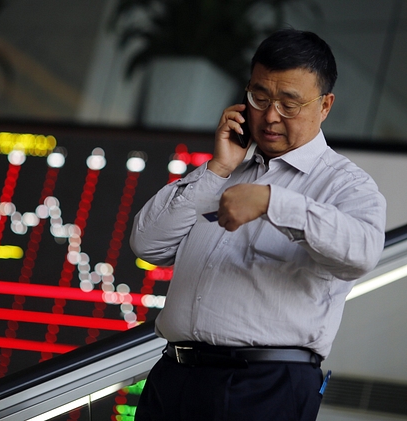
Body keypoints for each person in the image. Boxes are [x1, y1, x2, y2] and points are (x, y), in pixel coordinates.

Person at [130, 29, 386, 421]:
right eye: (259, 97)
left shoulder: (345, 184)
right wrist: (217, 169)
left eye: (289, 104)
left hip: (264, 387)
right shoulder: (225, 168)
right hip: (173, 377)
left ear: (325, 106)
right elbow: (147, 244)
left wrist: (273, 202)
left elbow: (364, 251)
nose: (269, 116)